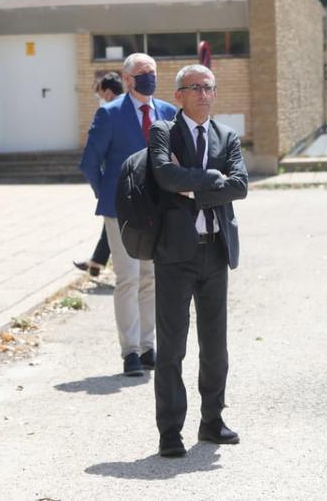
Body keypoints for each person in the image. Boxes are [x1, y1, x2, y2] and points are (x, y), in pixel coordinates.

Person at [146, 64, 248, 458]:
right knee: (172, 347)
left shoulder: (226, 136)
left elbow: (239, 186)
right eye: (196, 88)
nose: (205, 94)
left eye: (210, 87)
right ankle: (170, 430)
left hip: (215, 250)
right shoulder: (163, 131)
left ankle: (212, 421)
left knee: (215, 344)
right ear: (179, 96)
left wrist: (195, 188)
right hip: (174, 253)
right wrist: (211, 179)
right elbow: (165, 175)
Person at [78, 53, 175, 376]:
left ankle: (148, 347)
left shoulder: (167, 113)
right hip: (120, 211)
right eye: (143, 73)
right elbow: (90, 162)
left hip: (156, 209)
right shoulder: (109, 114)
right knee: (128, 277)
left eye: (153, 71)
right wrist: (107, 195)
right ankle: (130, 351)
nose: (150, 77)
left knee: (151, 277)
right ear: (128, 78)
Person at [74, 72, 125, 277]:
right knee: (112, 223)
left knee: (113, 222)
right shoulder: (136, 110)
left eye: (101, 93)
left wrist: (100, 189)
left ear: (109, 92)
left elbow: (90, 161)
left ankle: (97, 262)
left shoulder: (108, 113)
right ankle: (96, 261)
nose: (101, 98)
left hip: (116, 184)